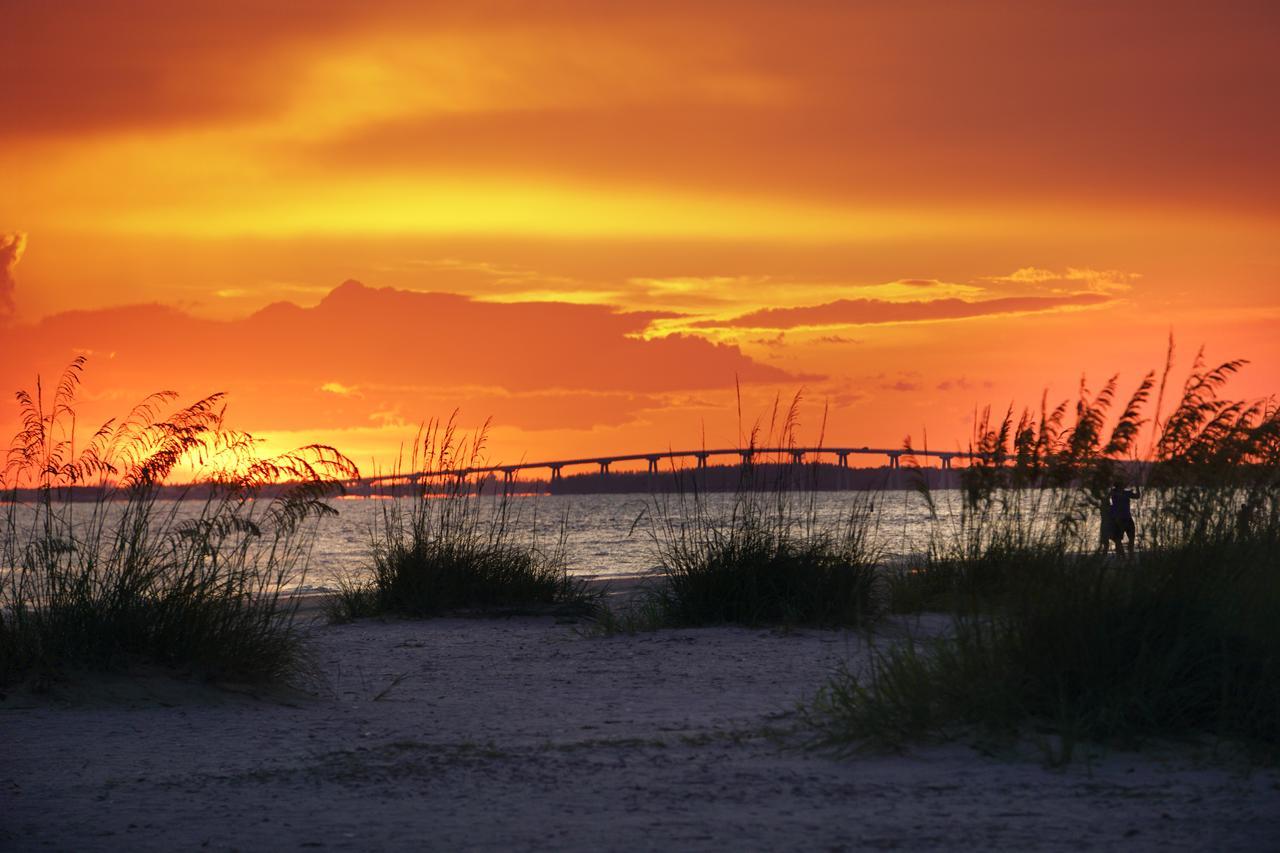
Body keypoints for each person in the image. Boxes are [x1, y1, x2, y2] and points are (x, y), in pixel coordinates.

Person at [1109, 481, 1141, 556]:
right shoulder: (1114, 493)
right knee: (1118, 539)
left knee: (1131, 538)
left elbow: (1137, 496)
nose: (1124, 486)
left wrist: (1137, 486)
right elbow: (1107, 497)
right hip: (1118, 519)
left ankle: (1130, 554)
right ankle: (1121, 555)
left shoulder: (1125, 493)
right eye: (1122, 485)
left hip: (1127, 518)